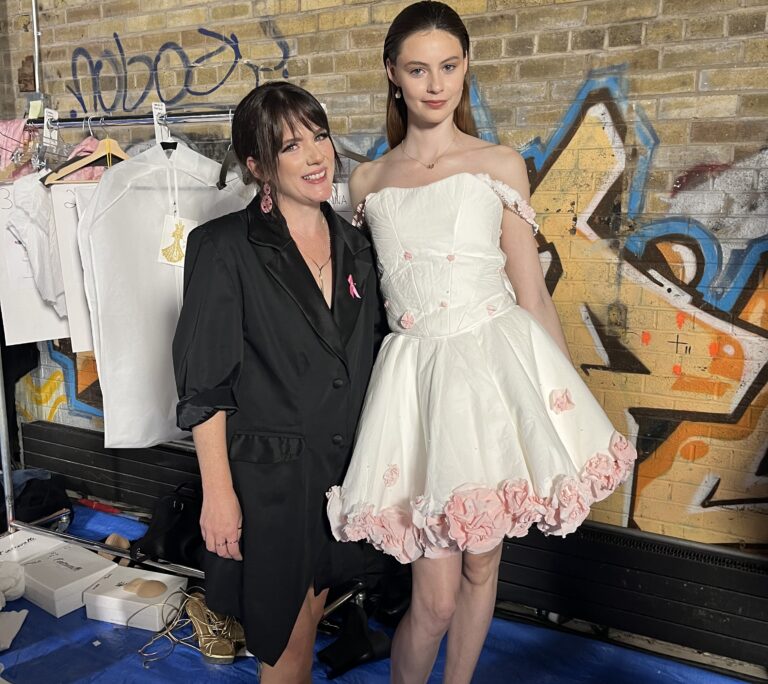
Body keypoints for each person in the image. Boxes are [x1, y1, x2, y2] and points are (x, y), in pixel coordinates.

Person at [326, 3, 638, 683]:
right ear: (393, 76)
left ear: (465, 67)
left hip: (494, 378)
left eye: (449, 65)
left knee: (483, 564)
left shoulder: (499, 163)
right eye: (418, 69)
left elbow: (530, 295)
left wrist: (564, 413)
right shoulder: (367, 181)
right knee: (432, 600)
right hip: (416, 384)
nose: (436, 84)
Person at [173, 81, 382, 683]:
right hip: (269, 486)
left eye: (320, 137)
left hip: (341, 479)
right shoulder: (221, 247)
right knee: (284, 646)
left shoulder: (357, 247)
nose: (317, 156)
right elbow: (205, 385)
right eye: (292, 146)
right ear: (258, 165)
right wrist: (218, 495)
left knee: (310, 624)